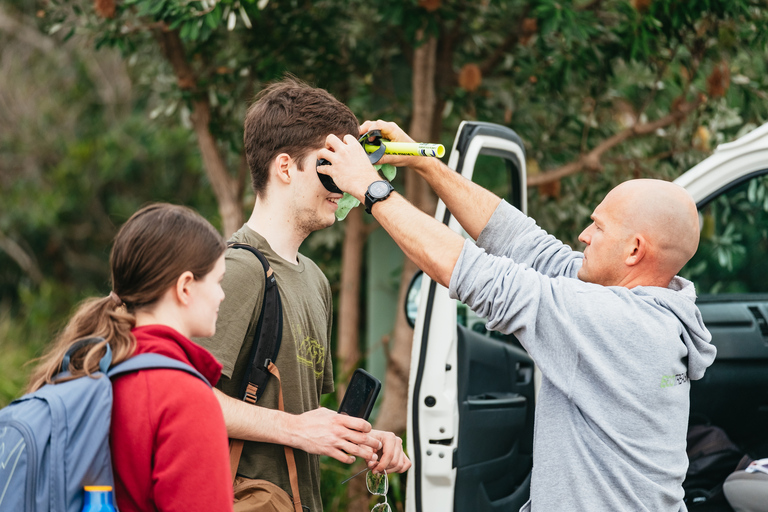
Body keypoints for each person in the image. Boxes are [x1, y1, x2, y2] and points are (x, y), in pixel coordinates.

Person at [316, 120, 718, 512]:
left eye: (598, 227)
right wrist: (423, 161)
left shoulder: (619, 324)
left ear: (634, 250)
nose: (584, 235)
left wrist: (371, 189)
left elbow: (479, 277)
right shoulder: (649, 307)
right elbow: (521, 242)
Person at [195, 79, 410, 512]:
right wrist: (293, 429)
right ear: (285, 167)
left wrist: (365, 440)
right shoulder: (237, 270)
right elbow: (185, 398)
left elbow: (305, 417)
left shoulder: (314, 279)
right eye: (328, 167)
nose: (342, 185)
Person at [26, 203, 233, 512]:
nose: (222, 295)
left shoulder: (84, 368)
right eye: (217, 281)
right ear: (185, 287)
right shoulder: (185, 399)